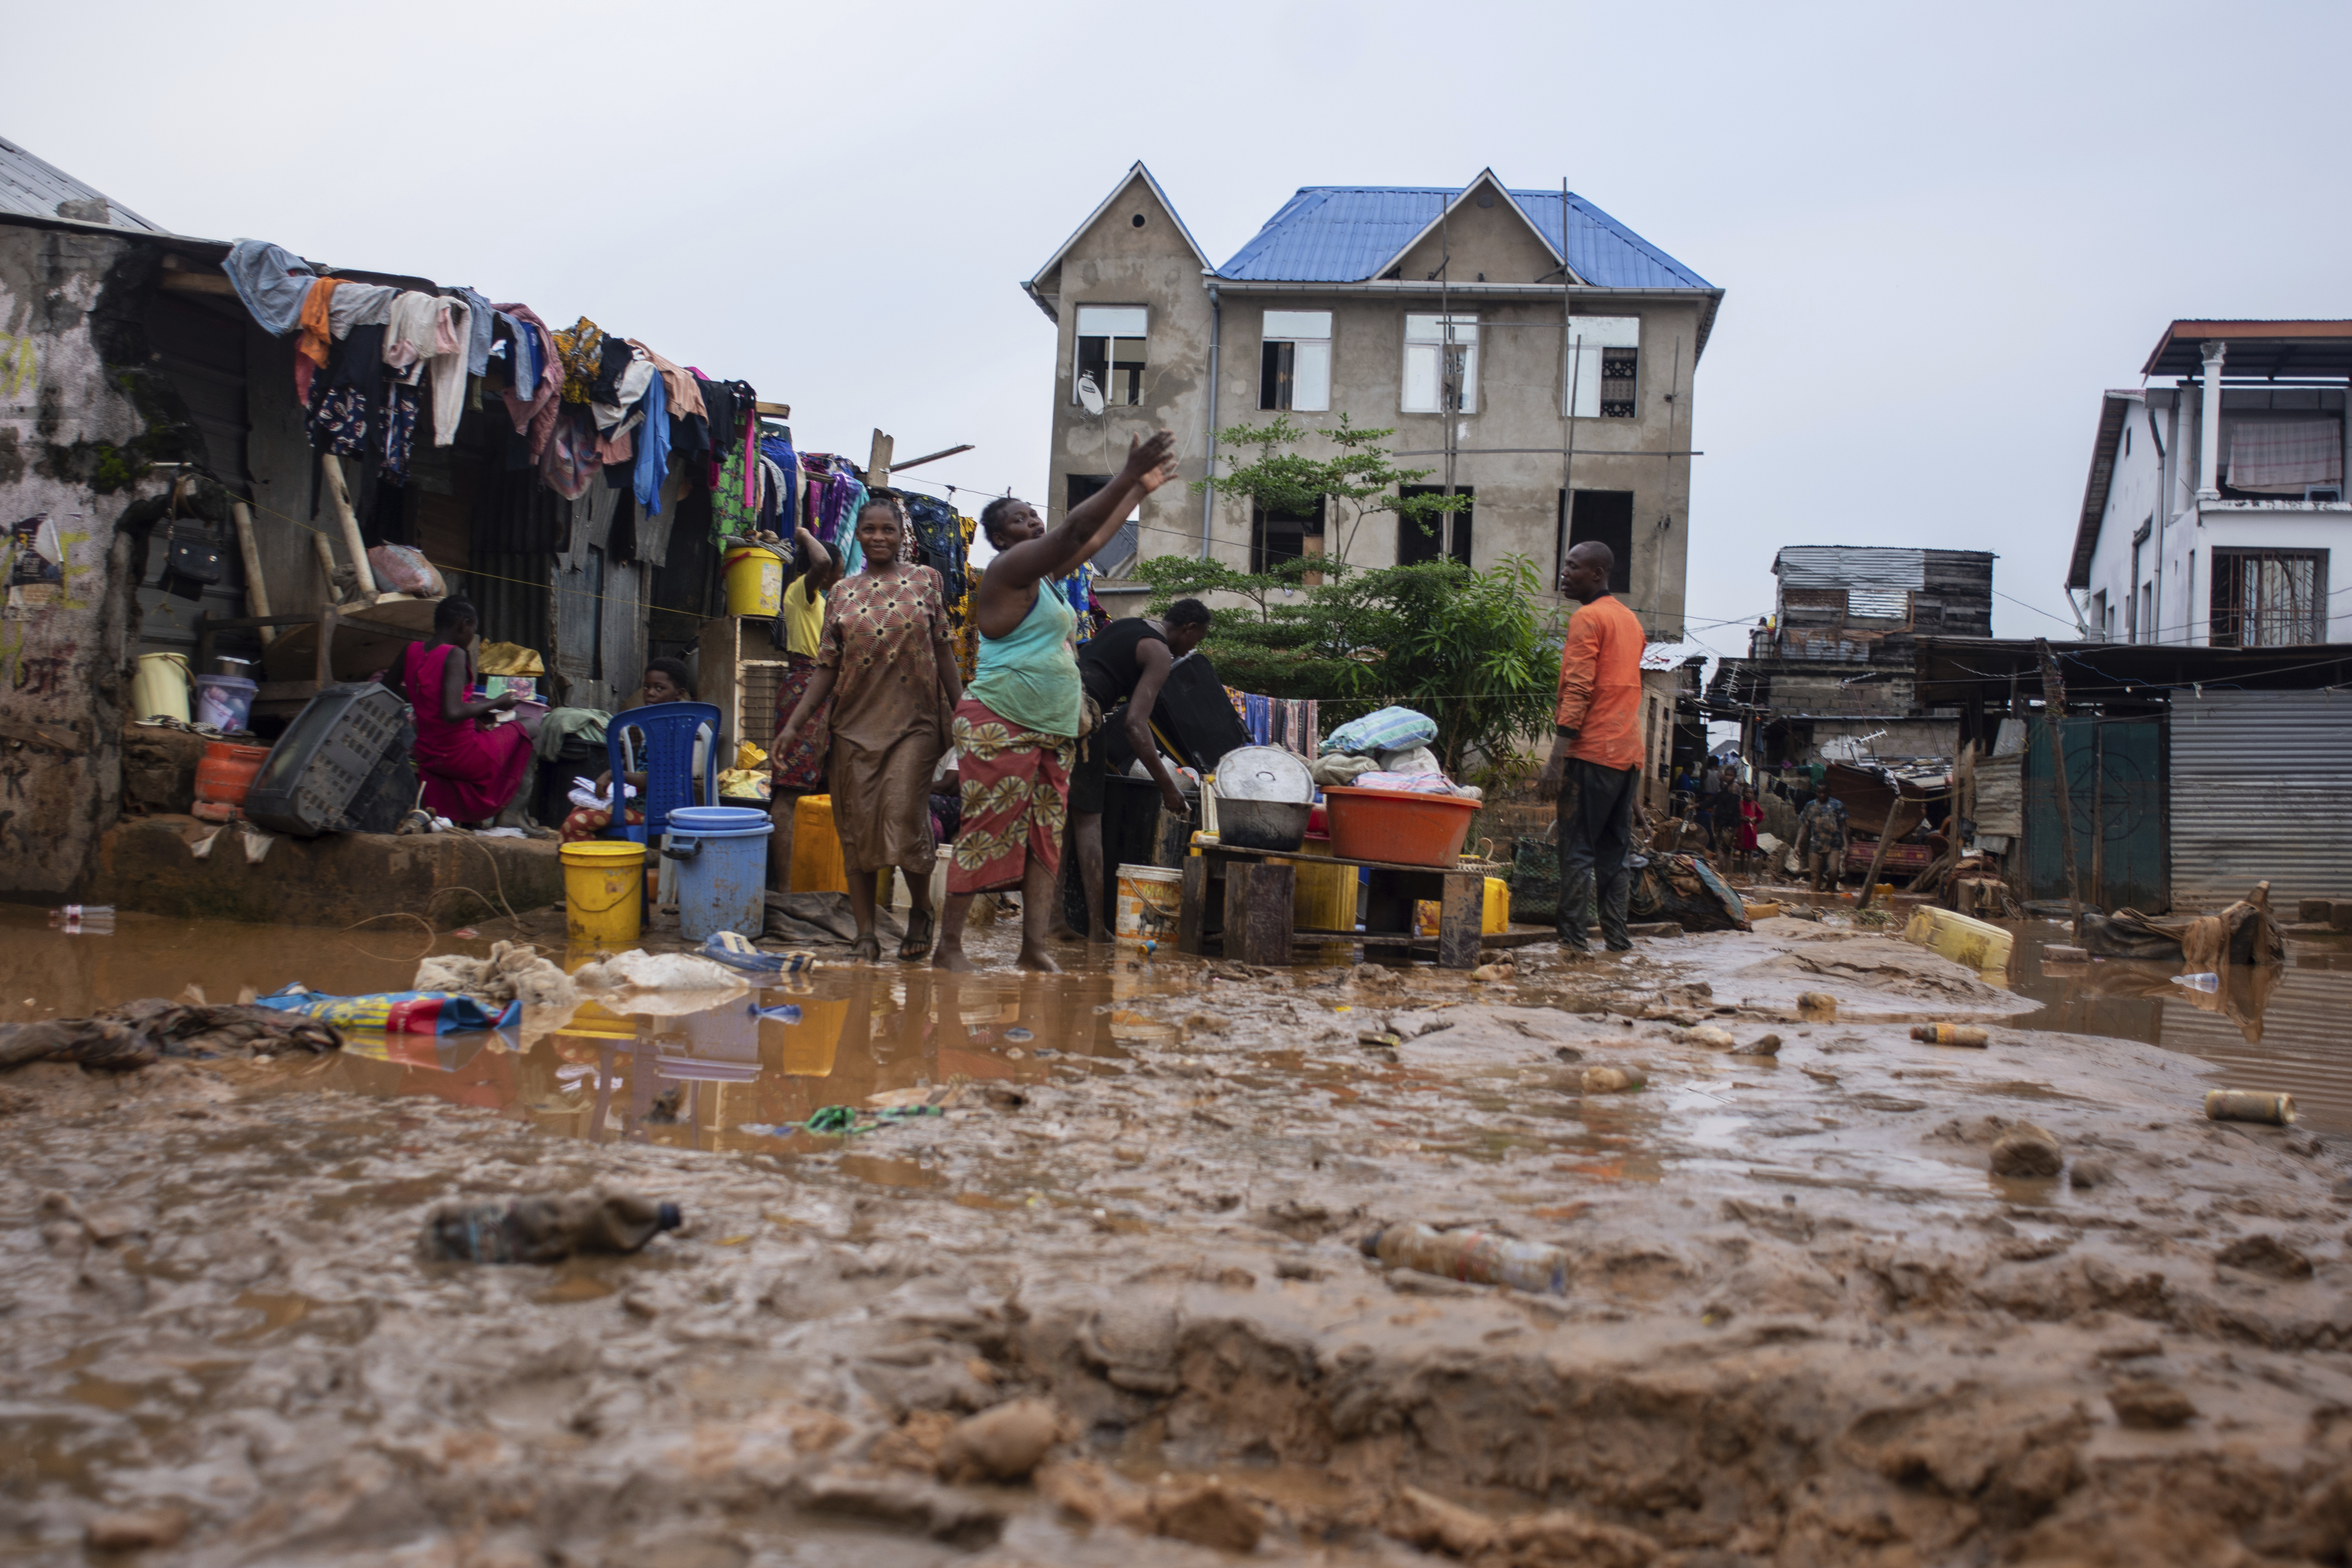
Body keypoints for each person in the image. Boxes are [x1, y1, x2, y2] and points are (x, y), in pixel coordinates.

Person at [933, 430, 1178, 973]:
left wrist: (1138, 490)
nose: (1034, 523)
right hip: (1002, 719)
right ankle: (949, 947)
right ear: (999, 538)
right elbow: (1077, 528)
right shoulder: (1008, 571)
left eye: (1033, 516)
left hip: (1053, 726)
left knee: (1047, 840)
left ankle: (1033, 947)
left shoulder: (1042, 580)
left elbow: (1089, 543)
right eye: (1021, 519)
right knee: (988, 833)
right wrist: (1125, 474)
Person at [771, 496, 963, 962]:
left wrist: (964, 717)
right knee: (855, 828)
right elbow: (826, 668)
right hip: (852, 725)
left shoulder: (927, 581)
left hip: (916, 723)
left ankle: (920, 910)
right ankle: (865, 934)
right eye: (870, 529)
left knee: (902, 815)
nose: (879, 537)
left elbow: (943, 653)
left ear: (903, 536)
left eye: (888, 530)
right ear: (857, 535)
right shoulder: (841, 593)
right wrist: (795, 725)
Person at [1051, 598, 1212, 943]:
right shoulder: (1160, 654)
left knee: (1061, 819)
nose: (1190, 650)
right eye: (1195, 642)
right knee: (1088, 820)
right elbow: (1136, 726)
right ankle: (1097, 929)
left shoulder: (1126, 625)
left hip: (1050, 706)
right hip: (1081, 715)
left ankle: (1053, 919)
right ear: (1189, 629)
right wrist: (1168, 787)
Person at [1535, 539, 1644, 953]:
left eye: (1573, 567)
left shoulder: (1588, 618)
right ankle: (1618, 943)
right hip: (1626, 758)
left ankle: (1573, 945)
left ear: (1597, 574)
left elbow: (1579, 690)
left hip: (1591, 753)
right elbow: (1627, 694)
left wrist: (1555, 761)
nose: (1565, 574)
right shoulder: (1631, 622)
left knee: (1577, 851)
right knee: (1615, 859)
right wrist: (1632, 781)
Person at [399, 597, 534, 829]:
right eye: (473, 629)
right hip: (462, 755)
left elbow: (391, 690)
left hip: (426, 753)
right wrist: (497, 702)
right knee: (531, 726)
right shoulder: (455, 654)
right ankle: (513, 813)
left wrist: (424, 709)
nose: (472, 635)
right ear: (464, 624)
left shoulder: (411, 651)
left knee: (505, 727)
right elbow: (452, 712)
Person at [559, 658, 707, 841]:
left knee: (574, 824)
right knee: (578, 810)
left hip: (652, 810)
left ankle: (599, 868)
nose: (650, 693)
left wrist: (614, 775)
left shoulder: (670, 730)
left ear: (680, 693)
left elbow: (654, 781)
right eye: (647, 687)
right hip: (643, 804)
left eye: (659, 688)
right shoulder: (666, 724)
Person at [768, 524, 839, 888]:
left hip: (822, 690)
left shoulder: (824, 603)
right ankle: (785, 888)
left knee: (815, 788)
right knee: (791, 790)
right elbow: (823, 560)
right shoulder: (802, 592)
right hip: (805, 688)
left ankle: (811, 881)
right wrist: (803, 534)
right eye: (838, 574)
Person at [1794, 777, 1850, 892]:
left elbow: (1843, 826)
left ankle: (1829, 893)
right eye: (1820, 792)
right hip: (1815, 846)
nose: (1822, 795)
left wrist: (1846, 845)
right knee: (1815, 877)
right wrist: (1797, 845)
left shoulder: (1837, 805)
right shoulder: (1810, 806)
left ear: (1829, 792)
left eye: (1825, 792)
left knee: (1834, 872)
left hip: (1834, 845)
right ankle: (1816, 902)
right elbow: (1804, 827)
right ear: (1816, 792)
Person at [1737, 784, 1764, 875]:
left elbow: (1761, 815)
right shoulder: (1740, 804)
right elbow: (1735, 815)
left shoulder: (1755, 805)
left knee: (1751, 852)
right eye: (1747, 793)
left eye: (1751, 793)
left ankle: (1748, 872)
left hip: (1752, 832)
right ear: (1743, 794)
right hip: (1742, 831)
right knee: (1742, 852)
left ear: (1753, 795)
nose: (1749, 794)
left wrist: (1755, 819)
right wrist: (1742, 818)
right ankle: (1741, 871)